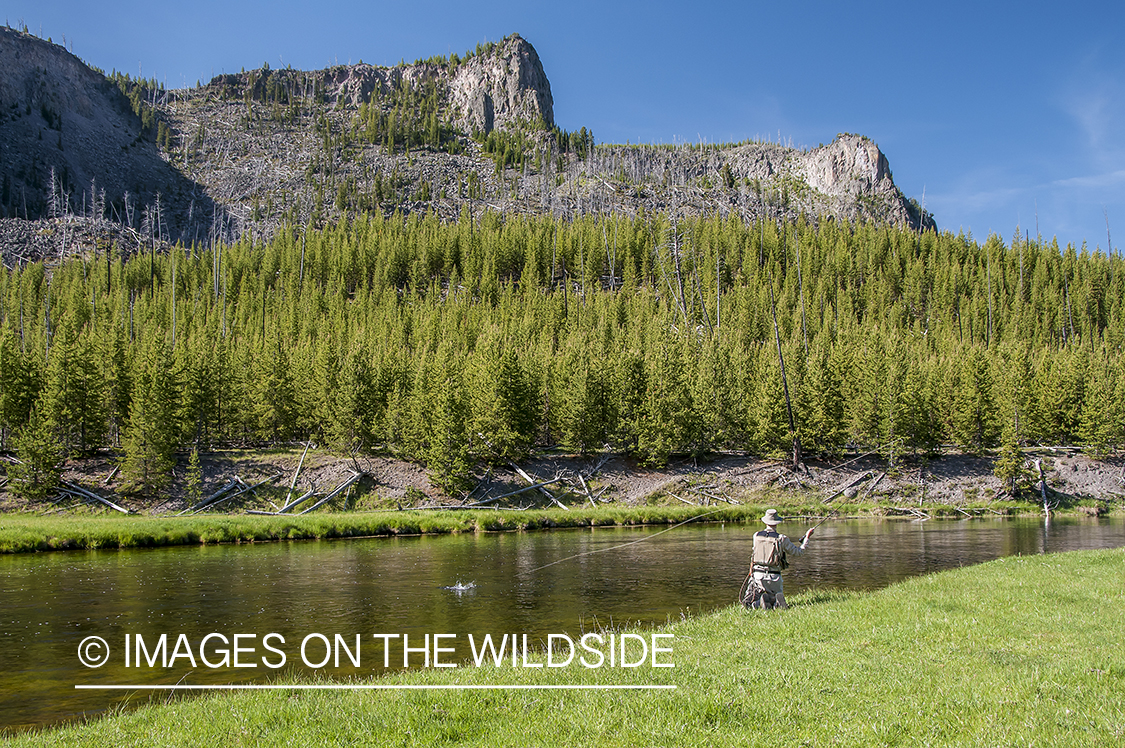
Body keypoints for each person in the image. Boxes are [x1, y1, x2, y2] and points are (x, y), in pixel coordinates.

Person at [741, 509, 814, 610]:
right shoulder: (781, 538)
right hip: (775, 577)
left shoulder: (756, 536)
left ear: (765, 522)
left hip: (757, 576)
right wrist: (807, 538)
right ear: (777, 523)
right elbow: (798, 552)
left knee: (748, 604)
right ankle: (774, 600)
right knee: (776, 595)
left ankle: (759, 603)